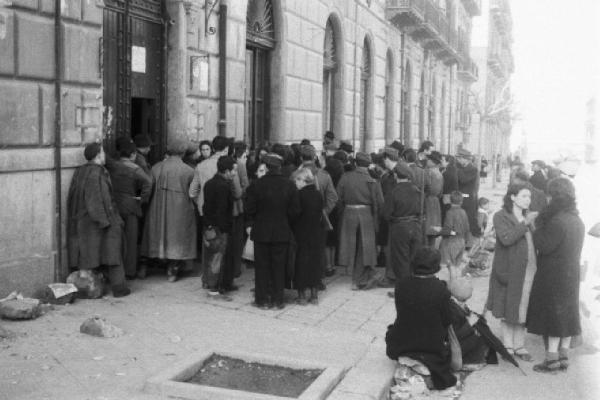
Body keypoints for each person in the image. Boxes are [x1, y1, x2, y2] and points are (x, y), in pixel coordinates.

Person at [527, 177, 585, 373]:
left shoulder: (557, 221)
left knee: (553, 316)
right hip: (571, 274)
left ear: (554, 197)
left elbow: (543, 245)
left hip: (554, 275)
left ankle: (551, 361)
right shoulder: (577, 220)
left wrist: (535, 225)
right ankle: (563, 357)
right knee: (568, 314)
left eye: (550, 196)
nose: (548, 200)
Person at [385, 247, 457, 390]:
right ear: (435, 267)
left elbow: (403, 313)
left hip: (402, 343)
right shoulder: (440, 289)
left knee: (393, 329)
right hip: (431, 346)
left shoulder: (401, 285)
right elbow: (447, 320)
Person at [66, 143, 130, 297]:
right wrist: (106, 221)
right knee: (113, 253)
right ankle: (119, 288)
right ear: (98, 155)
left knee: (91, 255)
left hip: (85, 221)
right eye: (103, 152)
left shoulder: (80, 171)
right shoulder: (97, 173)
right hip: (99, 220)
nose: (105, 155)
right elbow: (96, 199)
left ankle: (93, 287)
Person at [485, 184, 538, 362]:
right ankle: (508, 344)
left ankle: (519, 344)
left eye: (529, 197)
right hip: (509, 268)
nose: (528, 200)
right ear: (513, 197)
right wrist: (525, 223)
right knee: (510, 305)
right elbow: (506, 239)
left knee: (523, 305)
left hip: (529, 268)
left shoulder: (527, 217)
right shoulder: (501, 216)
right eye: (523, 196)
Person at [245, 153, 301, 309]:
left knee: (262, 266)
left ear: (267, 167)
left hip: (261, 231)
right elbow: (295, 210)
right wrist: (285, 221)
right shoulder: (290, 185)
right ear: (280, 167)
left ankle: (261, 300)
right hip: (281, 231)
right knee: (279, 266)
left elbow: (249, 208)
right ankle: (278, 300)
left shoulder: (256, 185)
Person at [141, 139, 197, 282]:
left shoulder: (155, 167)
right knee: (177, 236)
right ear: (183, 153)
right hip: (180, 209)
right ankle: (172, 269)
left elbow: (147, 189)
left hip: (156, 207)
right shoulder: (189, 171)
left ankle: (144, 265)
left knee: (154, 234)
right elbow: (194, 193)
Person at [336, 152, 384, 290]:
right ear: (369, 164)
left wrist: (342, 212)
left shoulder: (345, 176)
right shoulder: (373, 179)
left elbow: (338, 198)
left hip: (349, 212)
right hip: (366, 214)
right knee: (365, 247)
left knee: (349, 245)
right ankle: (361, 277)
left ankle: (352, 273)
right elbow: (380, 202)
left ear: (355, 163)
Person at [105, 140, 152, 279]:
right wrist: (142, 198)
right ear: (132, 154)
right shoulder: (135, 168)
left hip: (114, 205)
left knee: (115, 239)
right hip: (131, 205)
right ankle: (129, 271)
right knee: (131, 241)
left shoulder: (113, 165)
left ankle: (113, 271)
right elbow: (148, 182)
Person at [299, 144, 338, 282]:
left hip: (300, 218)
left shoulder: (296, 175)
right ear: (315, 157)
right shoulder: (324, 175)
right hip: (320, 218)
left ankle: (302, 281)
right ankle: (318, 280)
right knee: (319, 249)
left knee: (302, 250)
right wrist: (324, 212)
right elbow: (333, 197)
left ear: (300, 158)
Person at [381, 162, 422, 283]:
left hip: (399, 228)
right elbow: (422, 210)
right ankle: (414, 285)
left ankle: (404, 289)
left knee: (401, 260)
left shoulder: (393, 192)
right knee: (414, 258)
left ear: (395, 176)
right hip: (416, 226)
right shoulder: (417, 190)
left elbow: (386, 214)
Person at [202, 156, 236, 298]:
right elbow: (222, 210)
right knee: (218, 257)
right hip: (219, 228)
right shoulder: (224, 186)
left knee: (211, 256)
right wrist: (225, 228)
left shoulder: (209, 183)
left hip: (209, 226)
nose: (234, 173)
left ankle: (213, 284)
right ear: (227, 171)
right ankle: (214, 288)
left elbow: (206, 207)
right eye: (233, 170)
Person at [292, 167, 324, 305]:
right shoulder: (318, 194)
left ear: (302, 180)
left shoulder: (298, 195)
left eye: (296, 180)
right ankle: (314, 295)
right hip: (316, 232)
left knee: (301, 262)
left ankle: (301, 295)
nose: (295, 183)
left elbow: (294, 214)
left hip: (301, 233)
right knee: (315, 262)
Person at [439, 191, 470, 267]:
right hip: (462, 241)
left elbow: (448, 230)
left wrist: (439, 230)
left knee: (450, 267)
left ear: (450, 201)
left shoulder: (450, 212)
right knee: (456, 266)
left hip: (452, 242)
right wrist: (466, 240)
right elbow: (467, 227)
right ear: (461, 202)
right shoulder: (463, 212)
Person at [456, 149, 480, 241]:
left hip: (469, 199)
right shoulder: (462, 168)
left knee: (470, 218)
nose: (458, 160)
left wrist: (457, 170)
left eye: (460, 158)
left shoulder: (473, 169)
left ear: (465, 159)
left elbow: (464, 179)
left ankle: (473, 239)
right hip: (462, 197)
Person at [424, 151, 444, 246]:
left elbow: (425, 187)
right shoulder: (439, 173)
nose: (427, 161)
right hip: (436, 202)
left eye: (429, 159)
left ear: (433, 162)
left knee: (426, 226)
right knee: (433, 227)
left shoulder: (428, 172)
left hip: (427, 201)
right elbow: (441, 192)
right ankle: (432, 249)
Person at [441, 155, 459, 223]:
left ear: (448, 162)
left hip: (447, 196)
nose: (441, 162)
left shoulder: (447, 173)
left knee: (446, 215)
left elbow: (444, 186)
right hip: (453, 196)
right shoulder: (452, 169)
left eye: (443, 160)